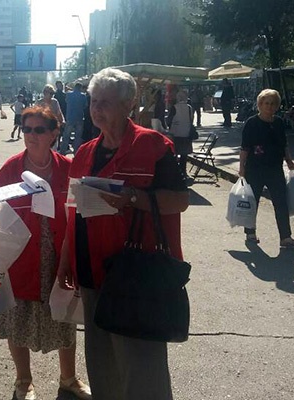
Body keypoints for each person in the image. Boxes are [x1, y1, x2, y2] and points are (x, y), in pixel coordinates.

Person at [57, 67, 189, 400]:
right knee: (102, 362)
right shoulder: (85, 153)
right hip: (92, 271)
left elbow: (179, 201)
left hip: (136, 274)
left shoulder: (155, 146)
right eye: (93, 102)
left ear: (128, 104)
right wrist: (65, 259)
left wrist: (134, 197)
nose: (97, 109)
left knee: (142, 365)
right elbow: (73, 211)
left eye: (106, 103)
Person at [0, 106, 92, 400]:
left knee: (64, 317)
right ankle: (24, 381)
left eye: (38, 129)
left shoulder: (67, 168)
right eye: (26, 129)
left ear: (54, 132)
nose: (31, 135)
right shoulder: (12, 168)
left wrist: (71, 257)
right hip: (20, 257)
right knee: (16, 320)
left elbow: (77, 214)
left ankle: (69, 378)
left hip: (58, 253)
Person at [239, 89, 294, 247]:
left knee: (281, 202)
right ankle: (250, 233)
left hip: (275, 168)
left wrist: (289, 161)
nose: (269, 106)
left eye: (273, 104)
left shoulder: (279, 123)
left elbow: (284, 144)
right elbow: (245, 147)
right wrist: (242, 168)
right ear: (260, 104)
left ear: (277, 106)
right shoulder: (252, 123)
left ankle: (285, 237)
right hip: (255, 169)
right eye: (266, 103)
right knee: (253, 202)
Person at [167, 90, 194, 177]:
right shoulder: (189, 108)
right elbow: (191, 120)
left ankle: (175, 170)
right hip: (186, 133)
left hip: (175, 133)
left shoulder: (174, 107)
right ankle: (183, 171)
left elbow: (169, 121)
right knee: (184, 155)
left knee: (174, 152)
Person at [60, 82, 86, 154]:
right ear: (80, 88)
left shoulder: (68, 94)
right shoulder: (83, 96)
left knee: (66, 136)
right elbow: (85, 106)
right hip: (79, 117)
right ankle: (76, 152)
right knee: (78, 137)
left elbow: (66, 101)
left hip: (70, 117)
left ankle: (62, 152)